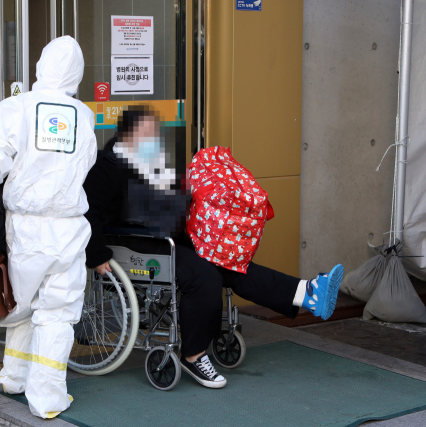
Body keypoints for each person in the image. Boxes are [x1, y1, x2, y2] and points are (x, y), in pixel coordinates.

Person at [83, 105, 343, 390]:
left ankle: (306, 293)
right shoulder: (107, 165)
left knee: (229, 262)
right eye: (147, 132)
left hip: (166, 238)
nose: (153, 138)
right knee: (204, 275)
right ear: (128, 134)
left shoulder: (150, 164)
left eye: (154, 132)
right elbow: (89, 211)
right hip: (135, 244)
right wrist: (96, 255)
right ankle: (193, 355)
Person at [0, 36, 97, 419]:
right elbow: (86, 163)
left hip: (26, 226)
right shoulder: (83, 115)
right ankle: (46, 398)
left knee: (22, 304)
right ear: (76, 73)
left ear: (40, 66)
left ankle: (13, 376)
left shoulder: (11, 109)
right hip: (67, 226)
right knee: (58, 311)